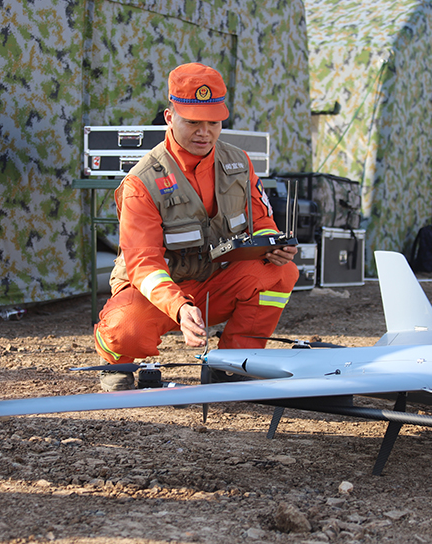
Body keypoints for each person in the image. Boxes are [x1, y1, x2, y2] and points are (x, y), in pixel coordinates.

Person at [93, 62, 299, 391]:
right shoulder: (141, 182)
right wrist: (179, 306)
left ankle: (232, 363)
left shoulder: (238, 162)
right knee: (125, 328)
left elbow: (261, 221)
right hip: (160, 291)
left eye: (213, 123)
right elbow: (144, 264)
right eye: (192, 122)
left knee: (280, 272)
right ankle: (116, 361)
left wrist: (272, 245)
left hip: (216, 282)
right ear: (169, 117)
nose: (204, 132)